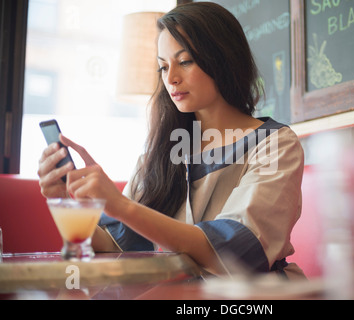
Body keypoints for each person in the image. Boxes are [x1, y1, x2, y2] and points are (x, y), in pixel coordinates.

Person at [38, 2, 305, 279]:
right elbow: (112, 248)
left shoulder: (275, 144)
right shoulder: (165, 150)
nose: (171, 78)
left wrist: (119, 204)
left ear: (223, 58)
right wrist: (60, 201)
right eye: (163, 67)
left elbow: (234, 254)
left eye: (185, 61)